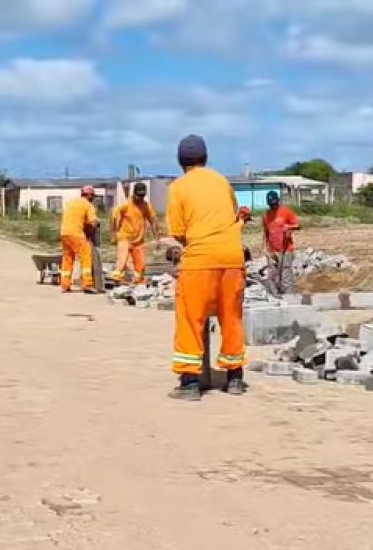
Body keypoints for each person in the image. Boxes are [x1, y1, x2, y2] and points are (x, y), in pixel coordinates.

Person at [167, 134, 247, 401]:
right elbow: (234, 215)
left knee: (191, 319)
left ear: (180, 161)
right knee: (231, 316)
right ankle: (235, 377)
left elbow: (179, 231)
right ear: (206, 158)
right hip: (233, 257)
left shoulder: (178, 187)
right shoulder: (222, 181)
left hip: (199, 261)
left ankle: (190, 383)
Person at [111, 182, 157, 285]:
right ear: (134, 193)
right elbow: (114, 217)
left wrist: (157, 237)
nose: (140, 198)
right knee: (122, 260)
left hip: (138, 240)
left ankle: (138, 280)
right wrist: (114, 234)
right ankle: (117, 279)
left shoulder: (146, 206)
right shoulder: (126, 205)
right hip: (124, 237)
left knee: (139, 263)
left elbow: (152, 220)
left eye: (142, 195)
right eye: (139, 195)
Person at [59, 185, 100, 294]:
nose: (93, 199)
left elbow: (77, 217)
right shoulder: (88, 205)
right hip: (76, 233)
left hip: (64, 233)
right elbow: (93, 222)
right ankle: (87, 284)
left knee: (68, 258)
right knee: (86, 255)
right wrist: (96, 225)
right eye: (92, 196)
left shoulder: (71, 203)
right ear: (89, 195)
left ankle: (65, 285)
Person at [260, 191, 301, 296]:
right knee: (272, 275)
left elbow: (298, 225)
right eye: (271, 204)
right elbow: (265, 232)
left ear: (278, 201)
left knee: (285, 275)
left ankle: (289, 297)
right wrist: (264, 247)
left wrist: (289, 227)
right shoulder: (266, 215)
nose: (273, 206)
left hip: (286, 249)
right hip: (272, 251)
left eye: (274, 203)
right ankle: (275, 296)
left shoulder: (286, 212)